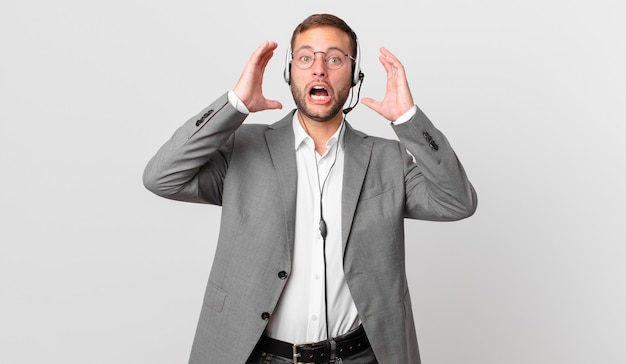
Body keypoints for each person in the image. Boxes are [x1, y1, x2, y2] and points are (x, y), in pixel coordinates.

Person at [143, 13, 477, 364]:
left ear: (353, 76)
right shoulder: (244, 148)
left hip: (360, 356)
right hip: (260, 356)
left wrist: (408, 121)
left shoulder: (387, 159)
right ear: (290, 73)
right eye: (305, 58)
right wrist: (234, 106)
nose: (319, 69)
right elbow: (161, 177)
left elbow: (456, 202)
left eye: (334, 59)